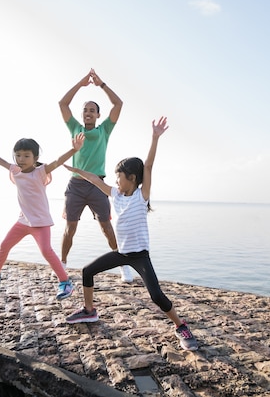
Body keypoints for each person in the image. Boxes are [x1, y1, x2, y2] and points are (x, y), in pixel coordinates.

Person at [64, 117, 199, 351]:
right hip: (121, 254)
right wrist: (76, 170)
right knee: (87, 271)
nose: (116, 179)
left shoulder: (141, 196)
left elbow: (147, 166)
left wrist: (155, 138)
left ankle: (181, 326)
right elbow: (95, 179)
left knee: (156, 296)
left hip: (139, 256)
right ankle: (89, 311)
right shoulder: (115, 194)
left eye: (119, 176)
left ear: (132, 179)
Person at [0, 132, 85, 300]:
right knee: (4, 246)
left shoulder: (40, 172)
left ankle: (65, 282)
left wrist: (74, 150)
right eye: (18, 155)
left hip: (41, 223)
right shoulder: (15, 171)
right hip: (23, 221)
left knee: (46, 251)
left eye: (26, 156)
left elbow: (58, 161)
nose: (21, 159)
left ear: (35, 157)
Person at [59, 69, 133, 283]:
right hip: (76, 185)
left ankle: (123, 266)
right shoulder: (74, 128)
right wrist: (80, 84)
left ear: (98, 115)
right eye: (85, 110)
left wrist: (102, 85)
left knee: (106, 227)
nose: (88, 113)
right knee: (70, 228)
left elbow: (118, 105)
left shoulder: (104, 130)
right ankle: (62, 265)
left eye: (92, 110)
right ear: (82, 114)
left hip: (98, 185)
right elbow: (62, 104)